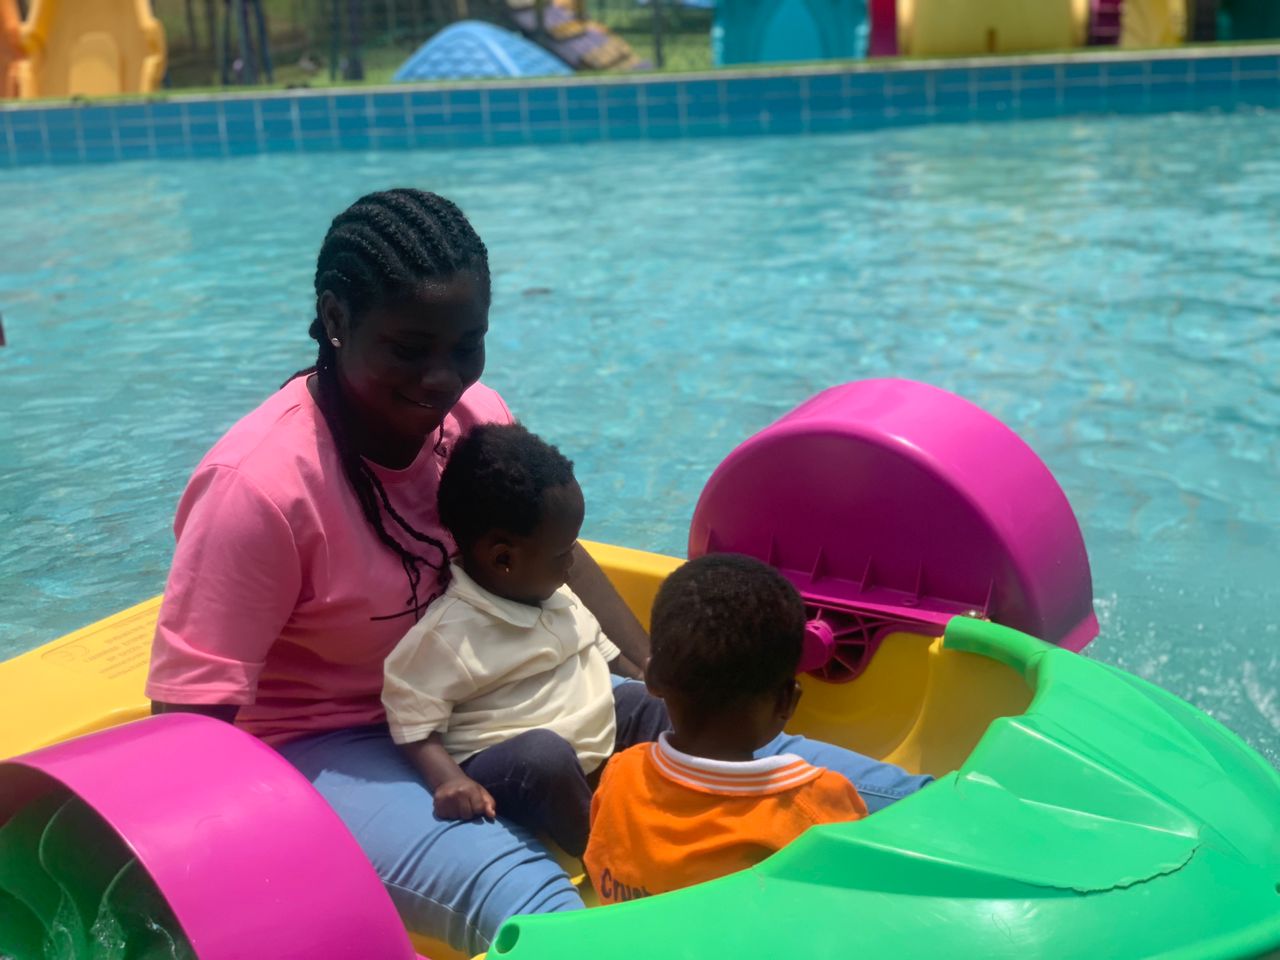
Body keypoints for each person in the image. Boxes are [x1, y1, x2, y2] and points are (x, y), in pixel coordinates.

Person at [145, 187, 931, 957]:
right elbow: (188, 719)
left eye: (466, 345)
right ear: (338, 319)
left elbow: (559, 555)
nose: (442, 379)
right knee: (530, 893)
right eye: (410, 350)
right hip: (336, 741)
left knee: (782, 769)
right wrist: (210, 884)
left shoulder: (473, 415)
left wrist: (654, 678)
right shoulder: (262, 487)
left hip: (502, 686)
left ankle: (950, 833)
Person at [384, 423, 664, 857]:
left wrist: (647, 681)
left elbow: (602, 651)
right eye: (564, 552)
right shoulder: (451, 633)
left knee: (652, 704)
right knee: (544, 757)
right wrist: (450, 780)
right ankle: (609, 857)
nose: (574, 562)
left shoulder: (552, 590)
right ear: (503, 559)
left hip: (585, 729)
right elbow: (411, 719)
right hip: (515, 761)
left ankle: (693, 800)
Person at [585, 554, 868, 902]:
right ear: (787, 702)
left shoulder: (621, 774)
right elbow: (850, 904)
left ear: (654, 679)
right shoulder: (819, 806)